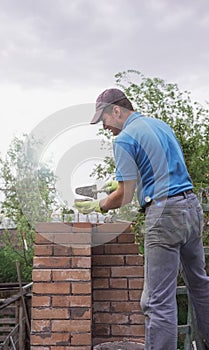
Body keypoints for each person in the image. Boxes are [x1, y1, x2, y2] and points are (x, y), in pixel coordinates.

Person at [74, 88, 209, 350]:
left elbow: (125, 196)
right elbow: (164, 167)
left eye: (103, 118)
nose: (103, 126)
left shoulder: (124, 140)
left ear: (116, 110)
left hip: (163, 216)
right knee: (199, 284)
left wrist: (99, 205)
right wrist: (115, 181)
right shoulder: (160, 126)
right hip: (191, 209)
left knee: (157, 301)